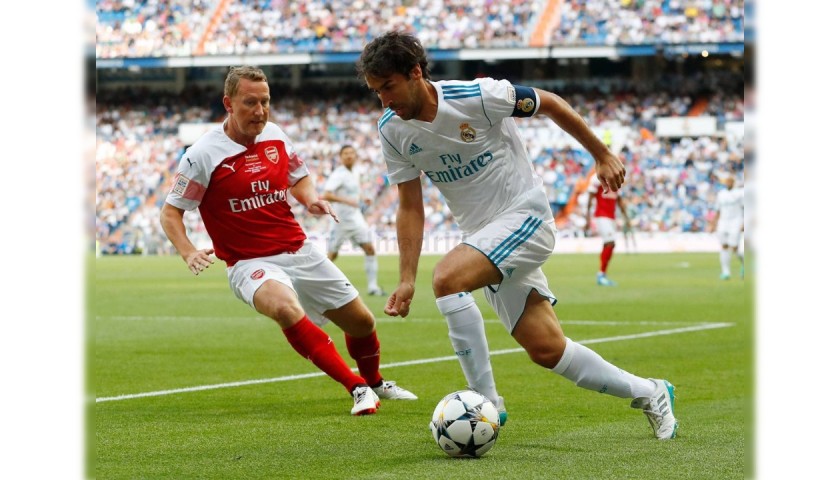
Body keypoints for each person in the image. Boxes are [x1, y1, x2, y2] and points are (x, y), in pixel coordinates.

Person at [357, 31, 678, 439]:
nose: (384, 100)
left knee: (447, 279)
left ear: (415, 72)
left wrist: (602, 153)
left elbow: (551, 103)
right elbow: (409, 206)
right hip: (485, 238)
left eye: (389, 87)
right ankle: (651, 392)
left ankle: (484, 403)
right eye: (375, 91)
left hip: (525, 217)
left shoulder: (478, 96)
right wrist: (405, 278)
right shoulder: (393, 130)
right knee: (547, 349)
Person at [159, 65, 416, 416]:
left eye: (265, 102)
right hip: (250, 263)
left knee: (363, 323)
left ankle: (373, 382)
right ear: (228, 104)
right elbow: (170, 212)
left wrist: (310, 199)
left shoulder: (276, 136)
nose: (260, 111)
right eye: (250, 102)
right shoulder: (202, 155)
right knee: (284, 308)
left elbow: (299, 176)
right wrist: (188, 251)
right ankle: (355, 387)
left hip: (298, 248)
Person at [321, 145, 387, 296]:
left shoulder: (356, 171)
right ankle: (320, 285)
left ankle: (372, 287)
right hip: (340, 220)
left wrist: (363, 198)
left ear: (356, 155)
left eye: (351, 153)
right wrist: (347, 201)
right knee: (332, 255)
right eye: (345, 153)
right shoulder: (338, 174)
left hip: (356, 218)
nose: (349, 156)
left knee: (370, 249)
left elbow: (355, 191)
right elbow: (326, 194)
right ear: (341, 157)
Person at [584, 173, 631, 286]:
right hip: (601, 216)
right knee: (610, 243)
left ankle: (602, 275)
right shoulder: (597, 178)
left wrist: (626, 218)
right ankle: (601, 274)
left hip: (611, 217)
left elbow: (619, 201)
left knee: (609, 244)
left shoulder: (615, 180)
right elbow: (590, 197)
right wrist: (587, 218)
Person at [710, 175, 745, 280]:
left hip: (736, 221)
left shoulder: (740, 193)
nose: (727, 183)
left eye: (729, 181)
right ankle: (726, 272)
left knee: (734, 247)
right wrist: (713, 224)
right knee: (724, 246)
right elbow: (718, 210)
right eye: (726, 181)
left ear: (733, 182)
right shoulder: (721, 194)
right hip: (723, 222)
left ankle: (744, 263)